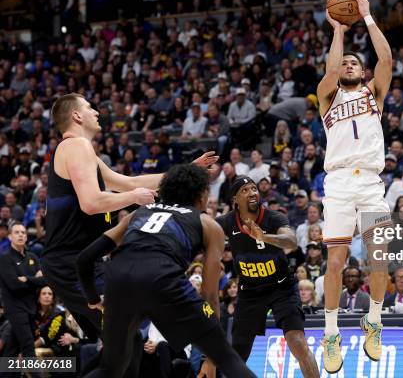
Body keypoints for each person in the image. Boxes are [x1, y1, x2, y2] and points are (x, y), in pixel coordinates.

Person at [42, 93, 216, 345]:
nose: (97, 112)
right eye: (90, 108)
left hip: (73, 262)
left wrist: (187, 170)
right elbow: (91, 203)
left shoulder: (80, 151)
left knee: (118, 344)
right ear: (77, 116)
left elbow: (128, 182)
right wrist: (135, 197)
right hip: (70, 262)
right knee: (128, 340)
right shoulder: (76, 146)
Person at [75, 164, 255, 378]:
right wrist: (210, 350)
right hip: (162, 279)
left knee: (110, 367)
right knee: (226, 356)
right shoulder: (207, 223)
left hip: (119, 278)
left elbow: (84, 259)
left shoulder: (138, 214)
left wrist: (93, 298)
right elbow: (209, 294)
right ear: (201, 194)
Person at [317, 0, 393, 373]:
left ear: (362, 73)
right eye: (344, 62)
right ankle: (332, 333)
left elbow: (386, 58)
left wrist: (366, 16)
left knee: (379, 256)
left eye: (353, 64)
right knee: (335, 262)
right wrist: (339, 31)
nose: (347, 65)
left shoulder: (375, 92)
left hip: (371, 185)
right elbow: (330, 71)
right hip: (340, 186)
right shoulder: (326, 97)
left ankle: (374, 322)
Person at [215, 176, 319, 377]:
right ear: (235, 199)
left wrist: (264, 237)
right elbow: (201, 227)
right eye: (245, 190)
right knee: (237, 353)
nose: (252, 192)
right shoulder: (227, 222)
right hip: (250, 292)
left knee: (297, 342)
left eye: (254, 188)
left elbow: (291, 241)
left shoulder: (274, 217)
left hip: (282, 288)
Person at [0, 222, 46, 376]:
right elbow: (14, 285)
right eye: (17, 232)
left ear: (27, 236)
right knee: (28, 348)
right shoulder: (5, 259)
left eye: (23, 232)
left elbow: (45, 281)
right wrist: (34, 279)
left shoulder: (32, 257)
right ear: (10, 236)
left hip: (31, 309)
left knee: (11, 350)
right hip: (15, 309)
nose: (21, 235)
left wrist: (26, 279)